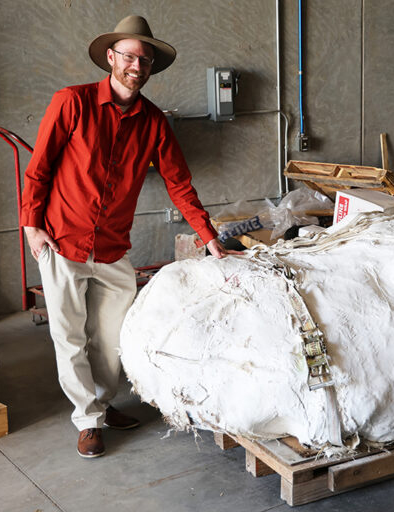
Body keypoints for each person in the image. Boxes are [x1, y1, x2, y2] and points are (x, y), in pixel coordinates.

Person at [20, 15, 238, 458]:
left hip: (113, 248)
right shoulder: (72, 103)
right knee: (69, 337)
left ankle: (102, 405)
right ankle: (87, 419)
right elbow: (39, 167)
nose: (137, 66)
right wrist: (31, 225)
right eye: (129, 56)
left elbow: (179, 183)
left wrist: (208, 236)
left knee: (112, 339)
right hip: (62, 241)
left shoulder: (153, 122)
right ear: (110, 57)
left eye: (145, 60)